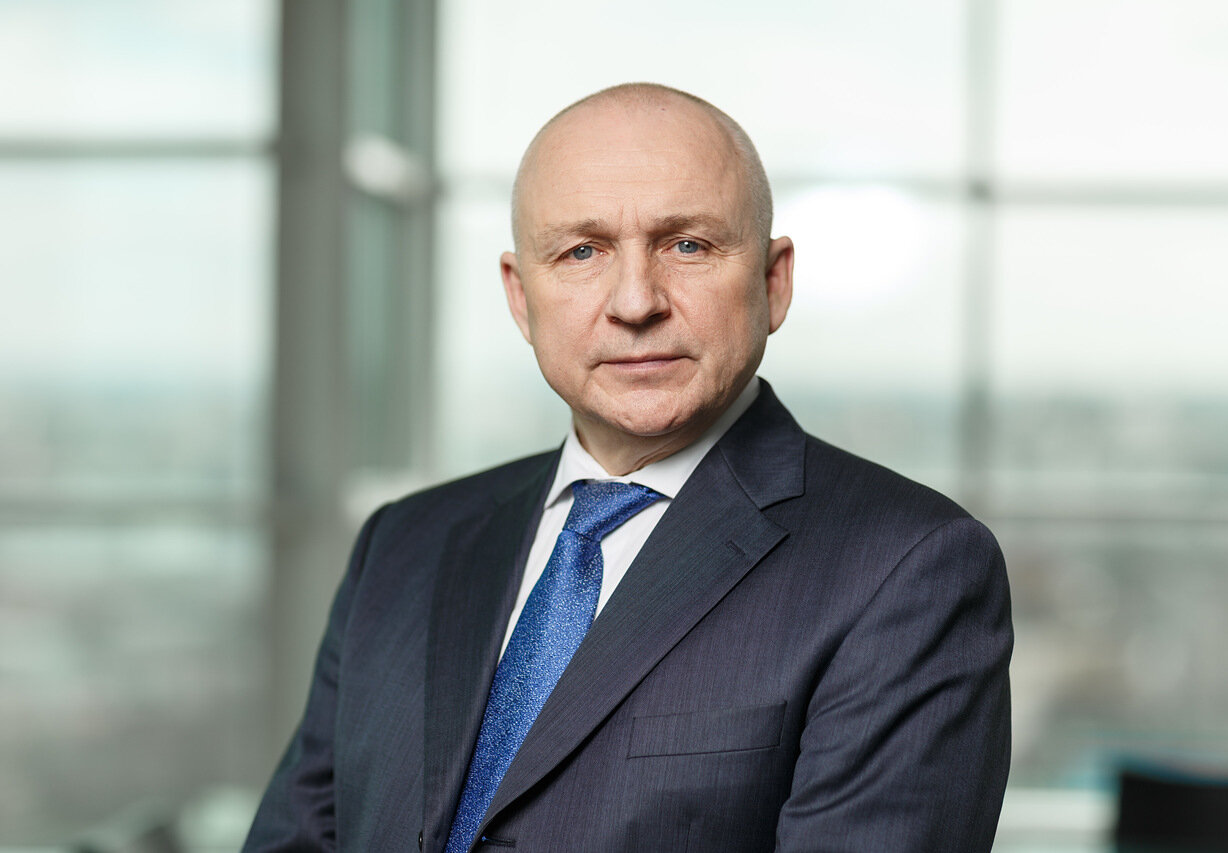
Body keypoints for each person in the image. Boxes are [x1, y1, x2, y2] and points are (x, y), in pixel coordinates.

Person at [244, 83, 1013, 852]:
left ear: (772, 282)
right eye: (582, 251)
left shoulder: (910, 567)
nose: (636, 302)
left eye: (688, 245)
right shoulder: (403, 543)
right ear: (521, 297)